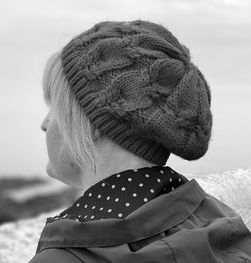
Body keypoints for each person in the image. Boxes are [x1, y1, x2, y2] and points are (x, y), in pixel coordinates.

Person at [29, 20, 251, 262]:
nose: (45, 123)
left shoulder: (68, 256)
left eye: (55, 108)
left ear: (92, 123)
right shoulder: (222, 226)